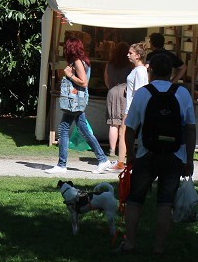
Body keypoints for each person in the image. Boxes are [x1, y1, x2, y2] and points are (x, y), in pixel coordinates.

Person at [117, 52, 196, 254]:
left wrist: (130, 155)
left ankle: (130, 242)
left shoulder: (143, 93)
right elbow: (190, 128)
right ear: (171, 73)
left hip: (146, 153)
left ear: (150, 71)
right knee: (165, 202)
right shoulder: (182, 93)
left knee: (135, 199)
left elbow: (131, 127)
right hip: (175, 155)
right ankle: (159, 247)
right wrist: (189, 157)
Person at [44, 36, 113, 175]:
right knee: (83, 129)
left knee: (64, 128)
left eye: (65, 47)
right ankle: (102, 159)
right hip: (77, 101)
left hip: (75, 101)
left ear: (70, 48)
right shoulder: (82, 60)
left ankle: (62, 164)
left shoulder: (77, 61)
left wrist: (69, 75)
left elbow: (83, 82)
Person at [104, 41, 131, 170]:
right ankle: (122, 149)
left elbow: (106, 80)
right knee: (123, 124)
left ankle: (112, 149)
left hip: (112, 91)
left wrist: (111, 88)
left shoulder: (109, 64)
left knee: (113, 123)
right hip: (125, 92)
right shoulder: (130, 66)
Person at [124, 42, 149, 120]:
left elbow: (139, 92)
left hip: (132, 110)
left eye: (130, 53)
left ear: (138, 56)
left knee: (123, 132)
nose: (128, 55)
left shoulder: (140, 70)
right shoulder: (137, 69)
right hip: (130, 109)